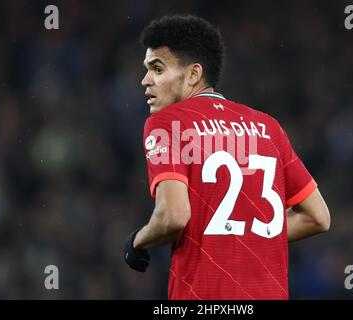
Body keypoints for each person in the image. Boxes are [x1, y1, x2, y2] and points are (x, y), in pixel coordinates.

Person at [123, 15, 330, 300]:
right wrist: (244, 236)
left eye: (157, 69)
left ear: (194, 74)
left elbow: (173, 216)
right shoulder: (267, 127)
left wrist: (137, 241)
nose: (145, 80)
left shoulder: (168, 123)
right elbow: (318, 217)